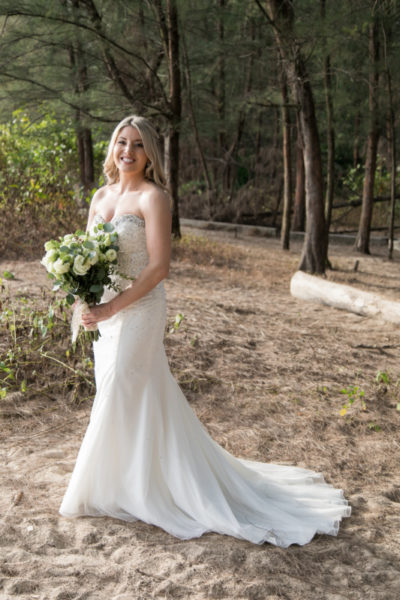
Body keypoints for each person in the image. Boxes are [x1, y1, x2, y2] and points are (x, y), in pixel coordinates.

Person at [59, 115, 351, 547]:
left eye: (138, 145)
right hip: (103, 311)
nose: (128, 152)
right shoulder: (100, 197)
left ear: (150, 153)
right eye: (122, 142)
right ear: (112, 147)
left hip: (138, 309)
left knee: (122, 383)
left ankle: (110, 489)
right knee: (121, 391)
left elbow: (159, 267)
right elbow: (86, 256)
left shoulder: (154, 198)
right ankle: (125, 482)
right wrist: (85, 298)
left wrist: (114, 306)